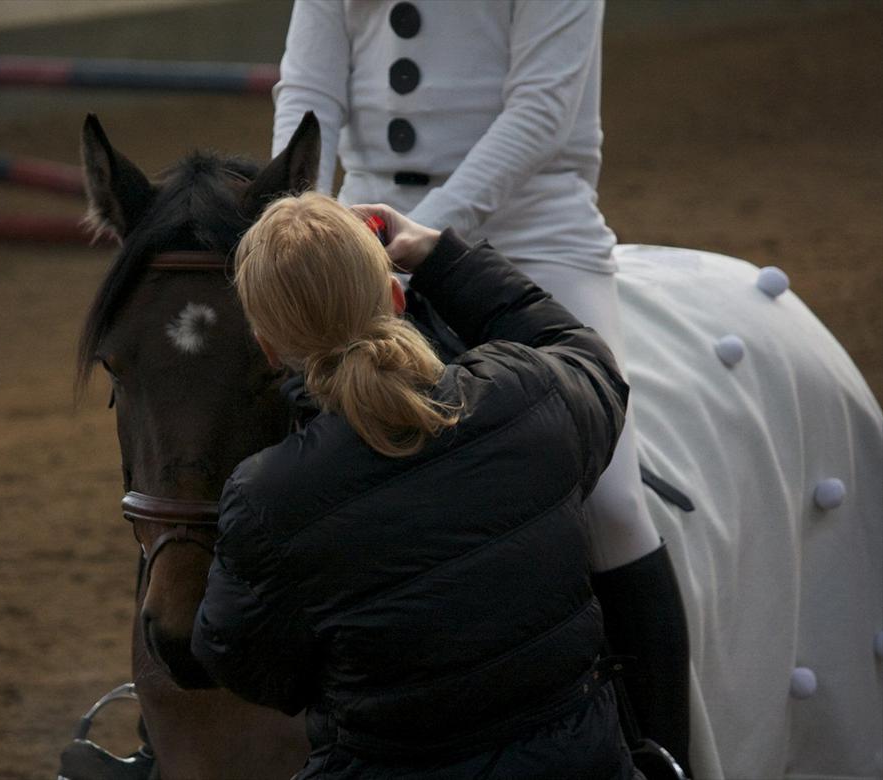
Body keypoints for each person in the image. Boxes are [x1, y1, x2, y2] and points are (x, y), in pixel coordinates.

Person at [271, 1, 691, 768]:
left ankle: (665, 753)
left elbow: (540, 113)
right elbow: (308, 95)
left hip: (532, 234)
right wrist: (297, 225)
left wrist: (418, 245)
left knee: (616, 504)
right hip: (357, 229)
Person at [189, 193, 637, 779]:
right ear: (397, 300)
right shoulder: (525, 391)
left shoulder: (266, 497)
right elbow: (590, 362)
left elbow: (236, 658)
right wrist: (441, 257)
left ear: (270, 349)